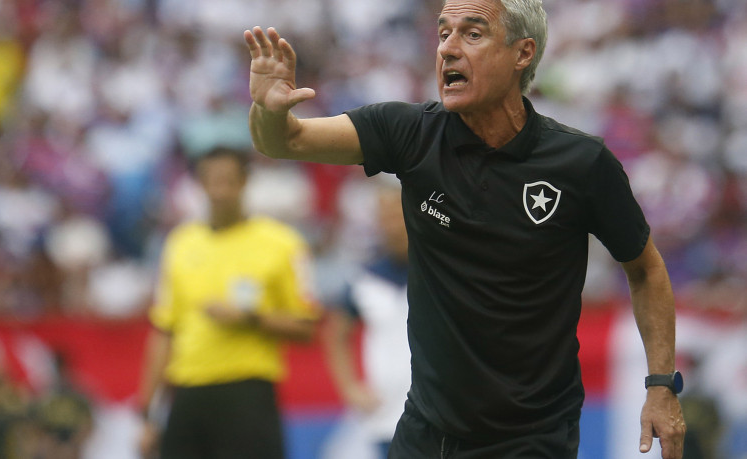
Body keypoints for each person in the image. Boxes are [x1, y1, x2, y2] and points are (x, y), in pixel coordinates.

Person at [243, 0, 686, 457]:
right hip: (425, 433)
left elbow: (647, 271)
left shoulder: (582, 164)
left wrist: (660, 386)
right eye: (443, 33)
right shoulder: (410, 133)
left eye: (472, 34)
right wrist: (269, 110)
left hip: (532, 440)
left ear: (523, 53)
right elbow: (287, 140)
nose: (448, 49)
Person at [137, 147, 319, 458]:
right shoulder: (180, 244)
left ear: (245, 182)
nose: (219, 190)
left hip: (247, 390)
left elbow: (307, 327)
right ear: (199, 185)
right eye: (211, 181)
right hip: (188, 392)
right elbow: (164, 331)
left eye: (228, 180)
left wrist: (250, 317)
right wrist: (147, 414)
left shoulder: (282, 243)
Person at [323, 177, 411, 458]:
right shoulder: (365, 278)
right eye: (384, 215)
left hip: (441, 412)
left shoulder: (441, 272)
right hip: (386, 414)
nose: (391, 223)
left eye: (396, 213)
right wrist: (350, 388)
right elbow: (336, 334)